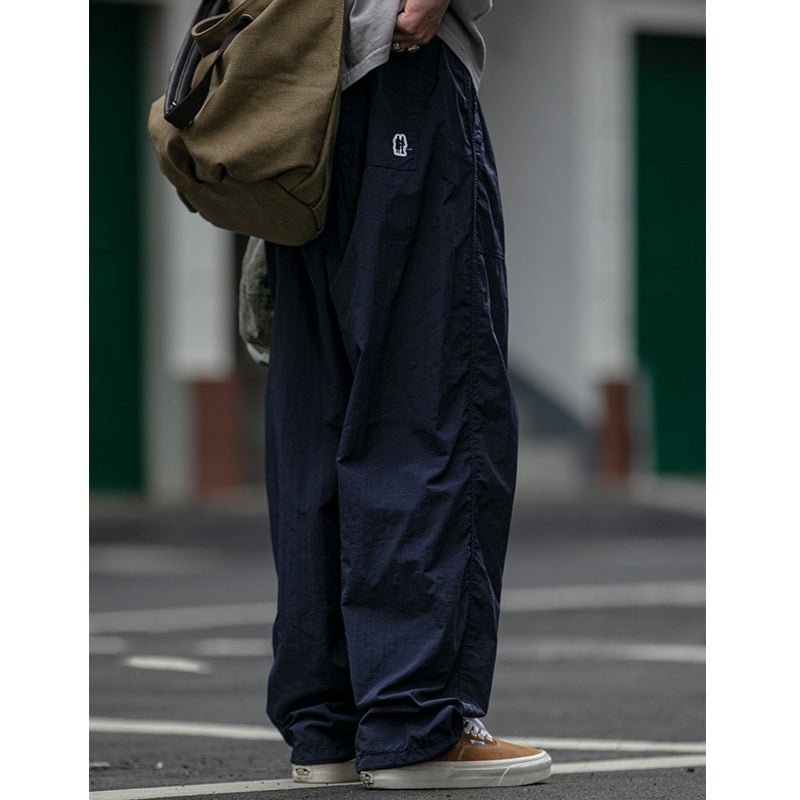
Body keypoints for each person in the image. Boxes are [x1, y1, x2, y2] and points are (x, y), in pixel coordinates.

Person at [259, 0, 551, 789]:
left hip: (292, 98)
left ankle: (330, 728)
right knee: (431, 404)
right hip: (398, 78)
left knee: (317, 415)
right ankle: (417, 722)